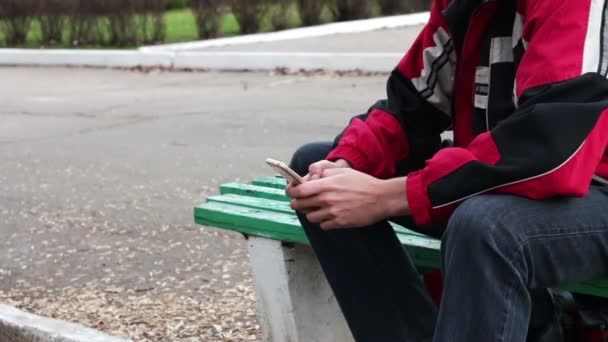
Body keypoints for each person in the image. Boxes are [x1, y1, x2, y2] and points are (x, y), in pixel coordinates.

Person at [285, 0, 608, 341]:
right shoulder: (462, 5)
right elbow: (409, 107)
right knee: (319, 175)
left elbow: (548, 148)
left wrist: (388, 196)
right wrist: (347, 160)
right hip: (513, 179)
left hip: (591, 188)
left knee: (487, 228)